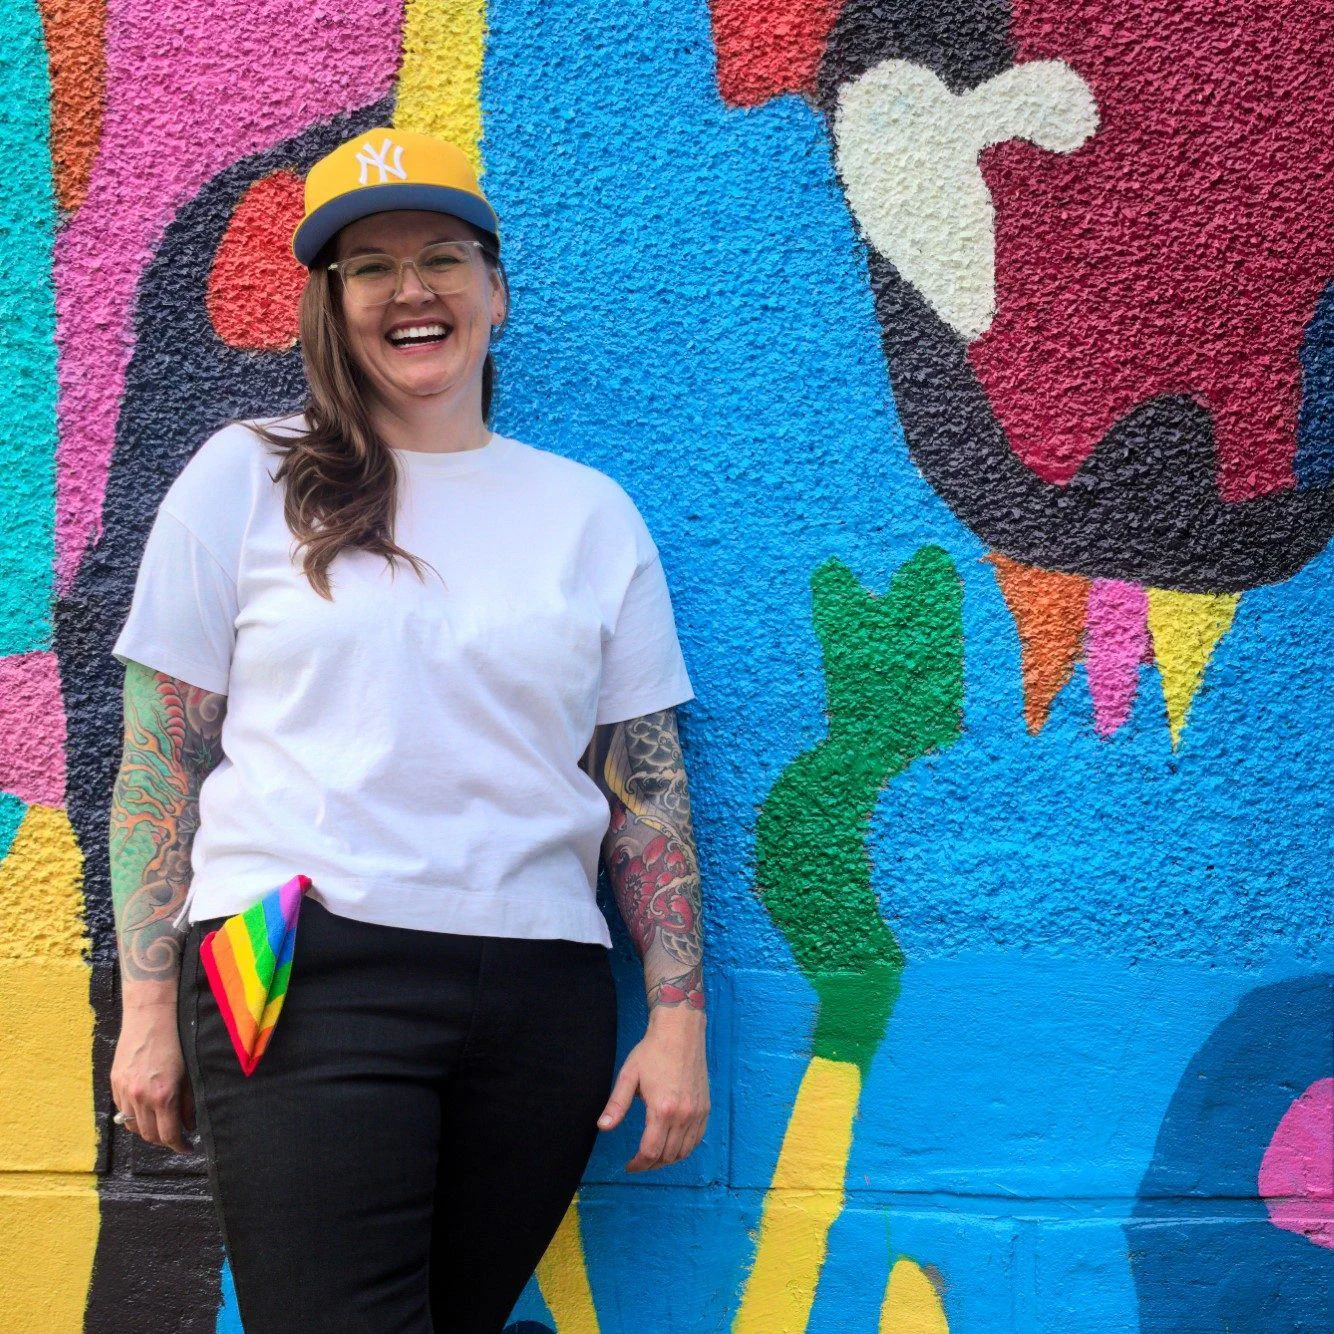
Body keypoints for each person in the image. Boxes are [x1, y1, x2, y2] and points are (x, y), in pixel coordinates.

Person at [106, 126, 709, 1332]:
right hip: (289, 949)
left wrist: (677, 1015)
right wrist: (145, 1009)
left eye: (440, 255)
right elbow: (160, 757)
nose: (410, 289)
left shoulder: (587, 514)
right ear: (328, 307)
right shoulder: (245, 476)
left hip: (540, 981)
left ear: (495, 289)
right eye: (368, 266)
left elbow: (645, 786)